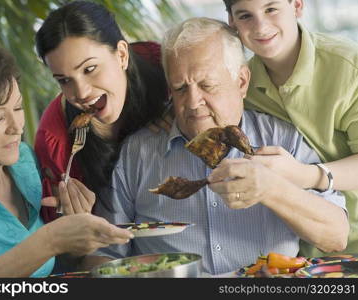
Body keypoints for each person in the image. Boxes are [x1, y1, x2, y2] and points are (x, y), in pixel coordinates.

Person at [84, 18, 349, 275]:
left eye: (207, 85)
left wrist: (272, 189)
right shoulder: (138, 152)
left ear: (242, 82)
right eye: (179, 88)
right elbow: (104, 253)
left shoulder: (283, 140)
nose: (193, 101)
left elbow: (336, 237)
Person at [0, 25, 133, 278]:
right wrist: (49, 241)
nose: (16, 127)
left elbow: (54, 266)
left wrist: (73, 231)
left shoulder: (25, 162)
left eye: (18, 108)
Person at [223, 0, 358, 258]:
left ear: (297, 6)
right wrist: (165, 116)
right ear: (232, 21)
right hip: (305, 254)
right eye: (245, 16)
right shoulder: (242, 84)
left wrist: (305, 175)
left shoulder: (349, 67)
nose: (260, 26)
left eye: (271, 9)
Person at [34, 0, 169, 221]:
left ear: (122, 55)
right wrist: (75, 225)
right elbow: (63, 243)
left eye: (89, 69)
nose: (81, 92)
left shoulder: (163, 67)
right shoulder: (55, 141)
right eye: (64, 80)